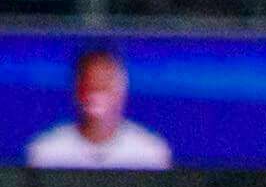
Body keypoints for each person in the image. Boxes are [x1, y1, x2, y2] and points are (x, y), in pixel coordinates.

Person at [24, 46, 169, 169]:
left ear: (122, 90)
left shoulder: (150, 153)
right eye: (89, 82)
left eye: (105, 82)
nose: (96, 89)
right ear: (76, 89)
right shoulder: (45, 152)